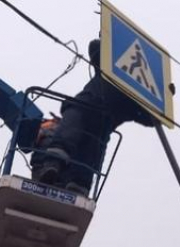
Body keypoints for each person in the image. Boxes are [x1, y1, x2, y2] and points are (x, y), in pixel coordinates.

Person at [32, 38, 156, 194]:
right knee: (67, 138)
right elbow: (95, 46)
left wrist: (159, 100)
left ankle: (77, 186)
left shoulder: (131, 98)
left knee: (88, 152)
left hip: (99, 125)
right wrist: (109, 38)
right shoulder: (107, 70)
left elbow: (151, 119)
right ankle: (52, 167)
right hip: (83, 109)